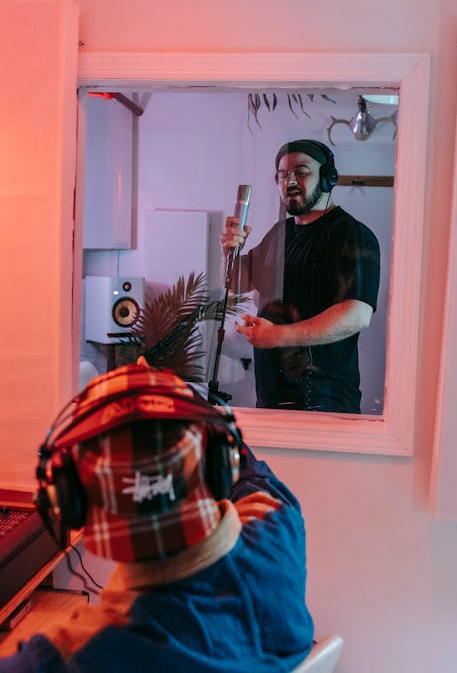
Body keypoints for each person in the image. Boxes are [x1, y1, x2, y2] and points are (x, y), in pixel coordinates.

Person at [0, 363, 313, 672]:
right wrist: (172, 399)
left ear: (73, 503)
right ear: (219, 464)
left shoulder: (80, 655)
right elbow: (248, 472)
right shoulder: (278, 526)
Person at [221, 139, 380, 413]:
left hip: (323, 402)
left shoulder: (349, 233)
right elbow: (238, 284)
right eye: (283, 175)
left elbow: (357, 315)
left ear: (328, 178)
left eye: (301, 171)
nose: (290, 181)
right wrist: (230, 250)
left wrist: (277, 336)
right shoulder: (278, 234)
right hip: (270, 398)